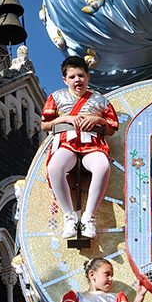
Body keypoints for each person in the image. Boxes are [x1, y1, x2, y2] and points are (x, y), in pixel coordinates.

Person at [41, 56, 119, 238]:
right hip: (67, 142)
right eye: (73, 76)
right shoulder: (57, 97)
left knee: (102, 166)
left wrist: (97, 119)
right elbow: (45, 124)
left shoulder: (100, 100)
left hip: (93, 144)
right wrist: (66, 118)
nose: (78, 80)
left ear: (88, 77)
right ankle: (69, 216)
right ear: (65, 80)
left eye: (81, 76)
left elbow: (112, 128)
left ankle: (88, 217)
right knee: (54, 167)